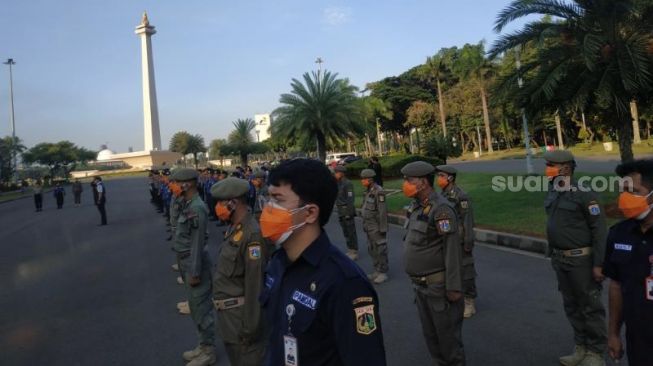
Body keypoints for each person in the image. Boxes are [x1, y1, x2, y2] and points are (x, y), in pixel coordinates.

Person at [259, 158, 387, 366]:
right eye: (268, 199)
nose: (268, 209)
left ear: (310, 213)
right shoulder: (277, 263)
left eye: (278, 200)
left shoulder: (346, 284)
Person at [543, 150, 607, 366]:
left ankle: (596, 353)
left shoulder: (584, 193)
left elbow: (599, 230)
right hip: (561, 259)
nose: (548, 168)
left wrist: (599, 263)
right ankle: (580, 347)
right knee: (571, 306)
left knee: (590, 307)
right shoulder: (554, 189)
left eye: (551, 164)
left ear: (567, 168)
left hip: (582, 261)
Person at [401, 161, 465, 366]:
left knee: (448, 341)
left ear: (422, 183)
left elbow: (452, 249)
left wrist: (454, 287)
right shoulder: (418, 207)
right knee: (431, 337)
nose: (405, 184)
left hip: (438, 287)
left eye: (409, 180)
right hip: (420, 286)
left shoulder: (442, 210)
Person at [211, 177, 273, 365]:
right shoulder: (235, 229)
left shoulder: (251, 234)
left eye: (221, 202)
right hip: (230, 320)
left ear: (234, 202)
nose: (217, 207)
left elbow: (255, 285)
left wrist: (250, 328)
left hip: (242, 322)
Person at [602, 159, 653, 366]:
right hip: (638, 339)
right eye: (623, 191)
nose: (624, 199)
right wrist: (613, 333)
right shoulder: (618, 234)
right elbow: (616, 285)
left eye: (633, 191)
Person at [170, 168, 216, 366]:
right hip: (186, 260)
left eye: (176, 182)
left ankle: (208, 352)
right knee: (196, 309)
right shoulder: (187, 203)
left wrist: (195, 271)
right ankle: (202, 345)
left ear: (187, 184)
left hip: (193, 262)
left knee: (202, 309)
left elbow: (197, 243)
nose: (172, 185)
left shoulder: (197, 207)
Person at [436, 165, 477, 318]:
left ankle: (469, 301)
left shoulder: (461, 196)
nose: (438, 179)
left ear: (450, 178)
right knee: (449, 269)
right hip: (446, 239)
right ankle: (454, 296)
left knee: (466, 271)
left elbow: (467, 220)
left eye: (441, 175)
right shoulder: (441, 196)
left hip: (459, 240)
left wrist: (468, 241)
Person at [360, 168, 389, 284]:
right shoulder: (367, 192)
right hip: (368, 226)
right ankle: (377, 270)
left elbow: (382, 211)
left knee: (380, 249)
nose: (362, 181)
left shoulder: (379, 191)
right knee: (372, 249)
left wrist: (383, 228)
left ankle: (383, 272)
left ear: (370, 179)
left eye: (364, 179)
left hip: (376, 227)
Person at [334, 165, 359, 260]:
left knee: (351, 231)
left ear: (341, 173)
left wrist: (349, 212)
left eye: (336, 172)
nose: (335, 174)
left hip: (346, 210)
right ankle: (350, 249)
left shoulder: (347, 184)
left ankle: (354, 251)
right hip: (340, 211)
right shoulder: (338, 183)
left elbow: (350, 199)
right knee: (345, 231)